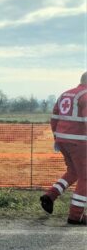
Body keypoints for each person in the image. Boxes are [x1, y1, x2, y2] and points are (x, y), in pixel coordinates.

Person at [40, 72, 87, 225]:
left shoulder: (65, 94)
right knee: (85, 177)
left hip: (63, 140)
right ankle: (76, 215)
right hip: (80, 142)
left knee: (73, 172)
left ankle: (50, 196)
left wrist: (56, 138)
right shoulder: (85, 96)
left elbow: (54, 118)